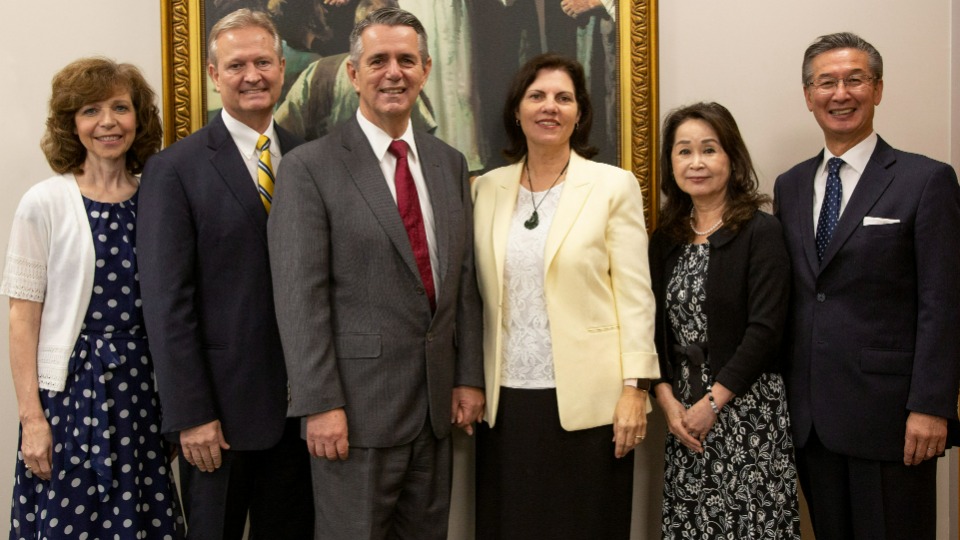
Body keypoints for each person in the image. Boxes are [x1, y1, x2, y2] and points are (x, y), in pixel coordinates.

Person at [267, 7, 484, 539]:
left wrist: (467, 377)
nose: (394, 72)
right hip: (355, 415)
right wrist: (319, 405)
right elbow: (300, 297)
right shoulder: (310, 168)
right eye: (379, 60)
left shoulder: (448, 163)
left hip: (435, 410)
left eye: (407, 60)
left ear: (426, 70)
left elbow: (463, 281)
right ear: (353, 73)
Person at [774, 32, 960, 539]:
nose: (841, 93)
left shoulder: (926, 180)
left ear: (877, 89)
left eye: (855, 80)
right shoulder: (789, 186)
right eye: (826, 82)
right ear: (808, 95)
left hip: (893, 418)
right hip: (810, 418)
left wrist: (932, 405)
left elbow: (942, 303)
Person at [137, 8, 313, 539]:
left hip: (304, 415)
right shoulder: (175, 168)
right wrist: (190, 414)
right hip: (219, 419)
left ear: (283, 68)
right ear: (214, 76)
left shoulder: (309, 159)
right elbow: (168, 305)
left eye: (263, 61)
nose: (252, 75)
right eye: (236, 65)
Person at [471, 53, 658, 539]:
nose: (549, 107)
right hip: (506, 403)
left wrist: (634, 389)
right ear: (517, 110)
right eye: (537, 96)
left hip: (591, 403)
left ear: (579, 112)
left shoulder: (613, 186)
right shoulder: (486, 189)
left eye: (563, 98)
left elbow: (636, 295)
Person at [1, 57, 184, 539]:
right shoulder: (44, 202)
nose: (108, 122)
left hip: (143, 395)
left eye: (120, 108)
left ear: (138, 118)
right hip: (67, 399)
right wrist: (31, 419)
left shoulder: (158, 198)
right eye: (90, 110)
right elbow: (22, 316)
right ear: (71, 125)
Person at [650, 102, 800, 539]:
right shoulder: (666, 238)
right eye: (683, 151)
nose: (696, 162)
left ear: (732, 159)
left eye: (709, 149)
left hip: (747, 414)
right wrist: (666, 400)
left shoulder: (761, 231)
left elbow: (766, 331)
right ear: (671, 163)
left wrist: (713, 403)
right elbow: (652, 326)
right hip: (684, 417)